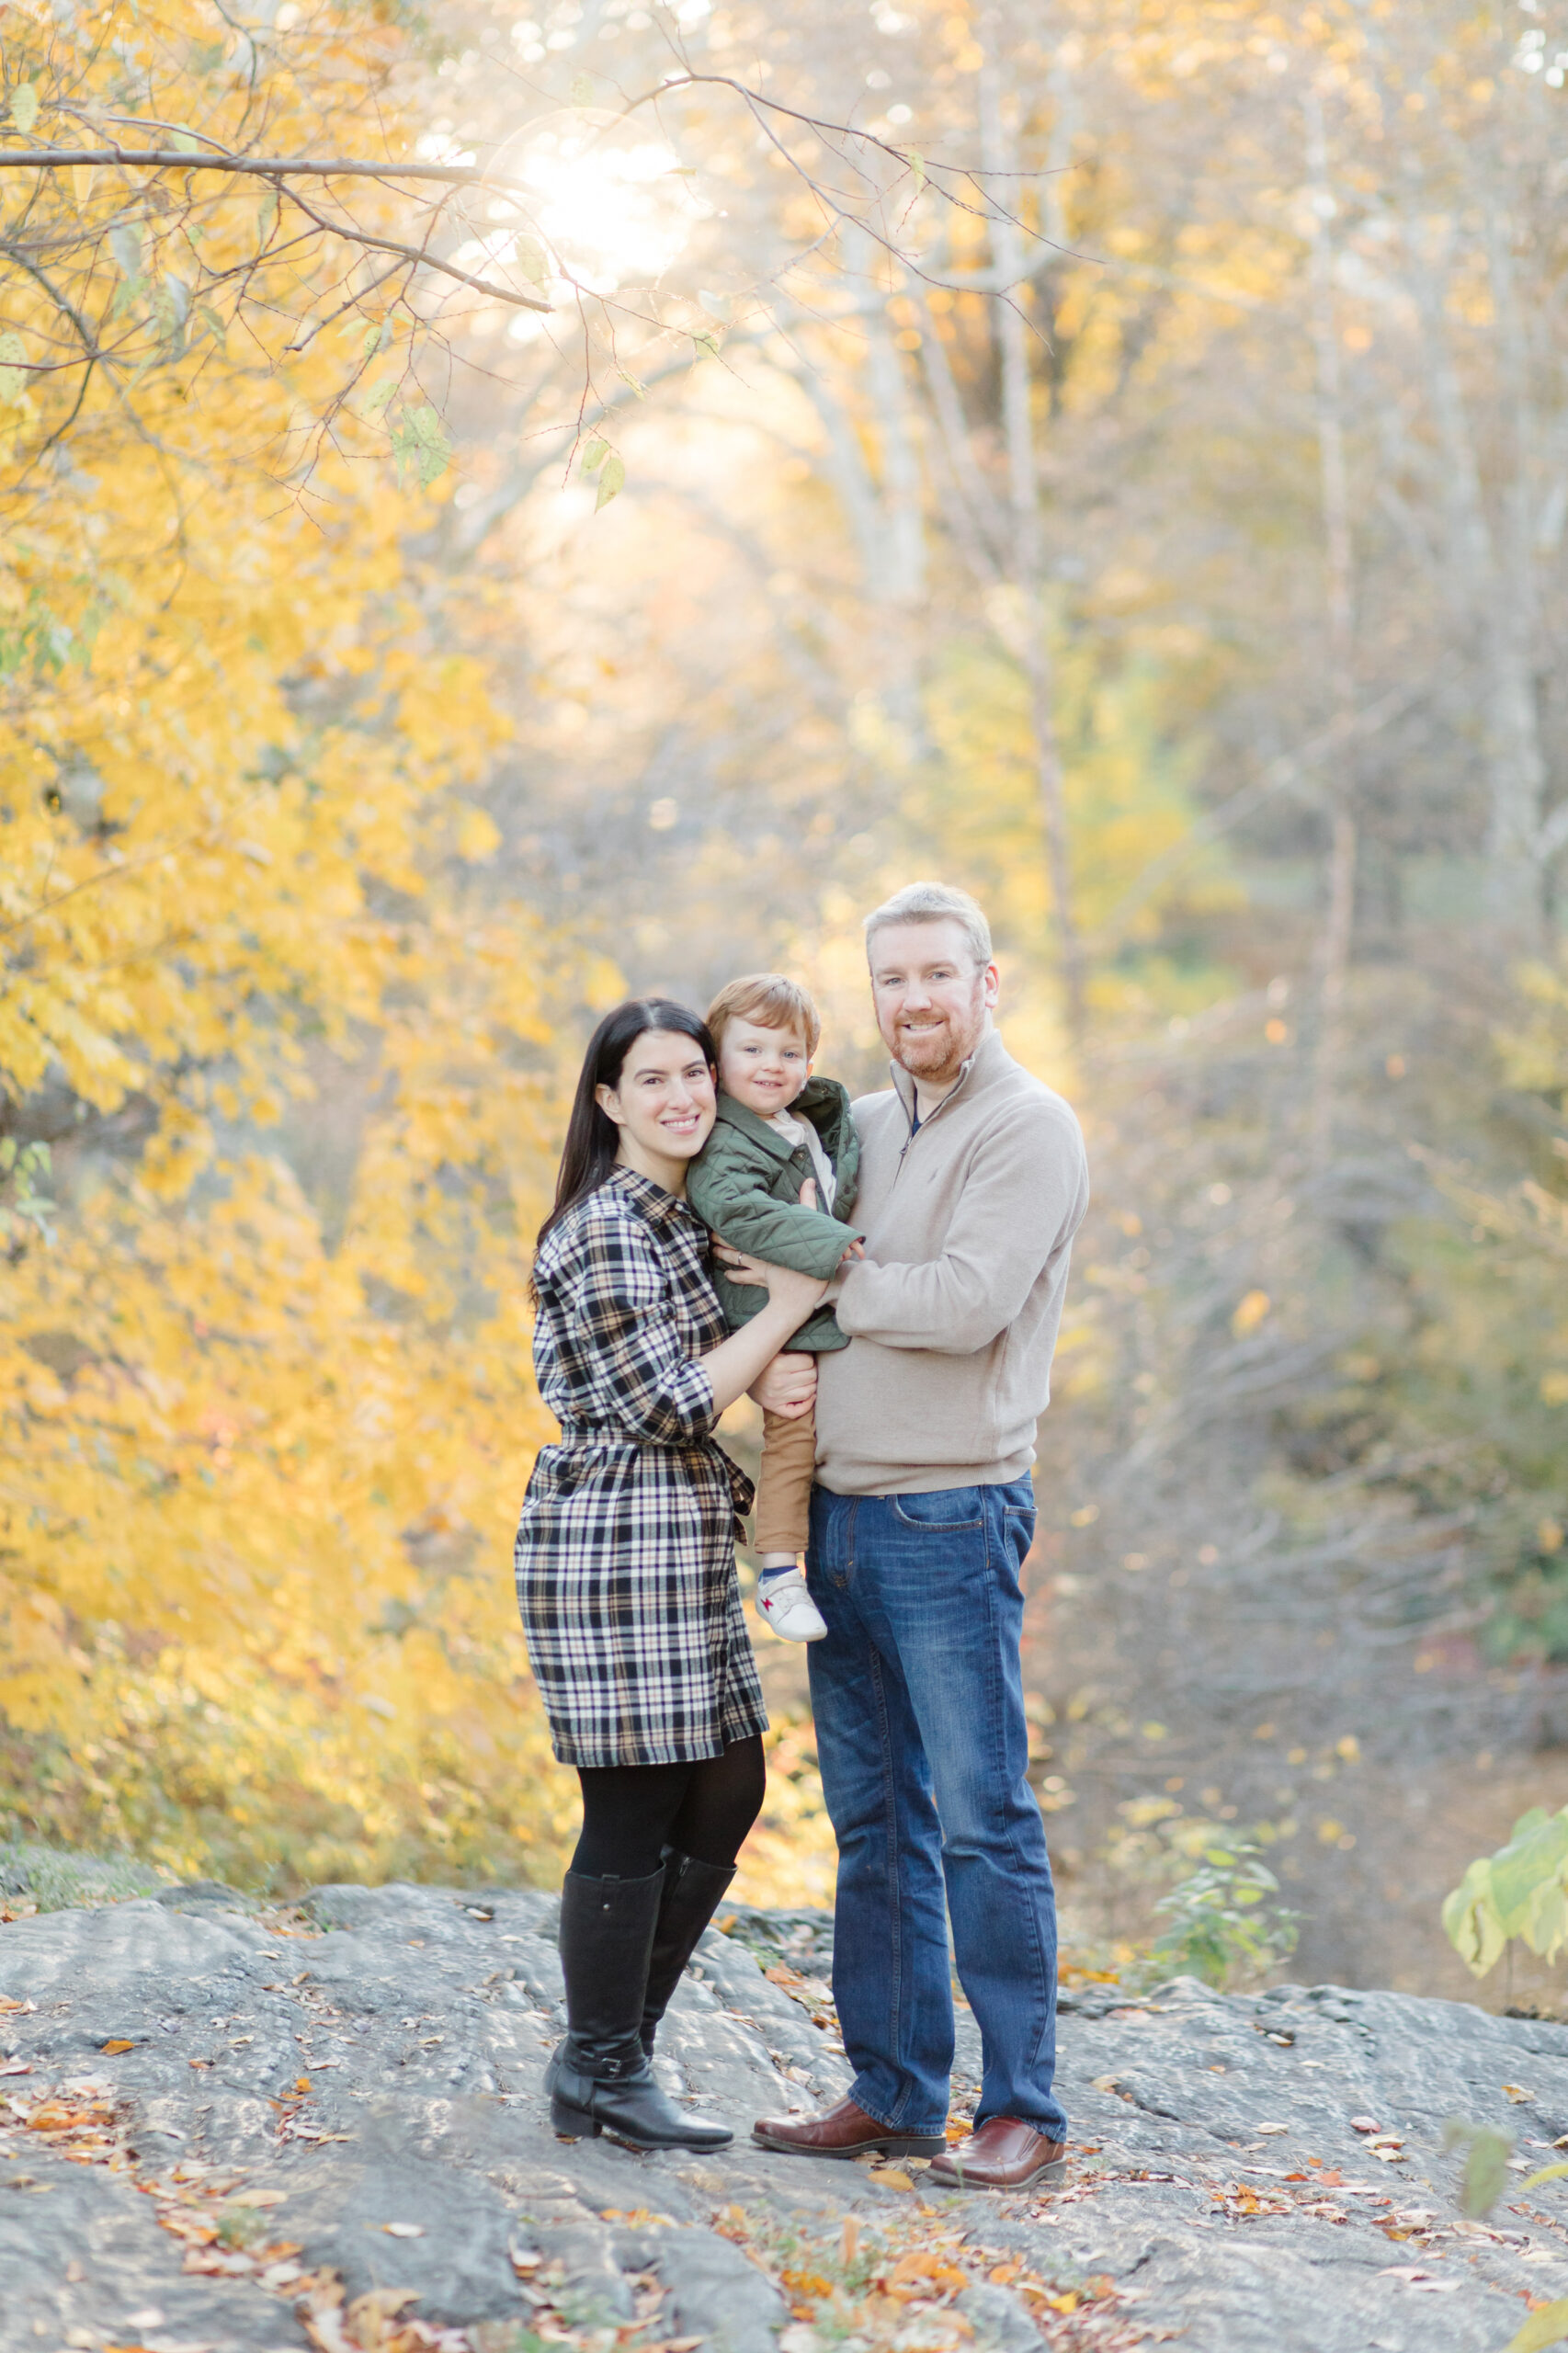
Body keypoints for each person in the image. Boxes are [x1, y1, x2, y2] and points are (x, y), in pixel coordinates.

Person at [747, 882, 1090, 2189]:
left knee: (980, 1821)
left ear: (985, 984)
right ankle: (893, 2090)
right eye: (891, 982)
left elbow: (962, 1305)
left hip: (950, 1518)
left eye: (938, 976)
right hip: (832, 1520)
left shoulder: (1028, 1128)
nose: (914, 1002)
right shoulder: (860, 1127)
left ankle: (1023, 2110)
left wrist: (821, 1275)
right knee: (875, 1823)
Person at [514, 996, 827, 2152]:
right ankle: (602, 2062)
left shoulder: (683, 1217)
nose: (683, 1096)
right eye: (651, 1080)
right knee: (637, 1799)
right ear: (607, 1102)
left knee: (727, 1784)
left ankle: (607, 2055)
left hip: (679, 1529)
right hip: (614, 1538)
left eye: (694, 1071)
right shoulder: (606, 1226)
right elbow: (664, 1398)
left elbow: (710, 1368)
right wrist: (790, 1307)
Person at [687, 973, 864, 1644]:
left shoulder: (802, 1120)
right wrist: (838, 1245)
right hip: (765, 1304)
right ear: (717, 1062)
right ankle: (780, 1575)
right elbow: (734, 1208)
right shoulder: (726, 1140)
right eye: (754, 1051)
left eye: (790, 1054)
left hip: (815, 1294)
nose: (773, 1067)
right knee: (790, 1433)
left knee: (819, 1427)